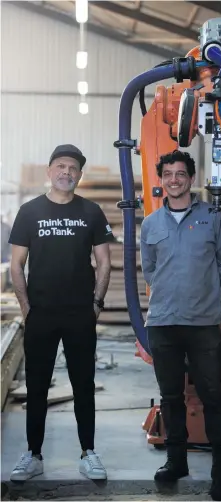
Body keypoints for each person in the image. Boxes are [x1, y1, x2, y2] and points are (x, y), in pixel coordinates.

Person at [140, 150, 221, 501]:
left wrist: (203, 289)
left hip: (202, 324)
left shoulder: (213, 218)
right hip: (163, 322)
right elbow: (150, 270)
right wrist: (172, 291)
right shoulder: (151, 223)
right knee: (171, 398)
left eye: (180, 173)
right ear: (161, 179)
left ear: (191, 178)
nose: (173, 180)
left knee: (213, 397)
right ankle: (176, 461)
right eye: (167, 174)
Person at [9, 144, 114, 482]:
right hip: (41, 313)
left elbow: (105, 262)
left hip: (80, 314)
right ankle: (33, 454)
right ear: (49, 171)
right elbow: (16, 265)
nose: (67, 172)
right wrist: (26, 308)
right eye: (61, 166)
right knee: (37, 386)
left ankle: (89, 452)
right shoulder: (29, 212)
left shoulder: (92, 212)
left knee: (83, 384)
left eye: (73, 168)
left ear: (80, 175)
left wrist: (96, 304)